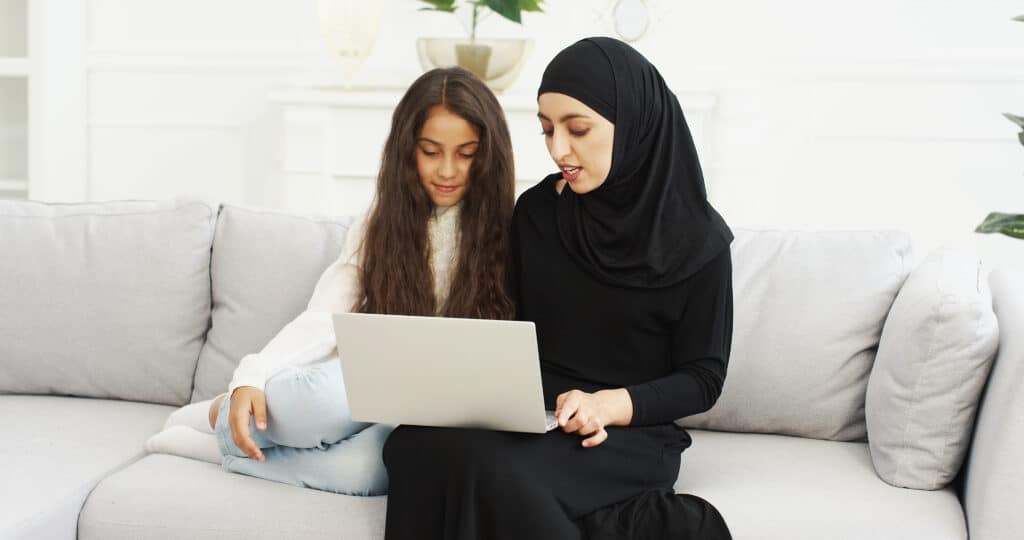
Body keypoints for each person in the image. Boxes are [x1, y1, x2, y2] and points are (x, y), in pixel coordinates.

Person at [381, 37, 735, 538]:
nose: (558, 149)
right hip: (534, 416)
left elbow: (703, 378)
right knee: (410, 445)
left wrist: (604, 405)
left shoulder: (700, 241)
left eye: (578, 129)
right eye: (548, 130)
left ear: (634, 124)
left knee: (499, 476)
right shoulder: (538, 213)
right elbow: (510, 324)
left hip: (626, 433)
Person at [149, 66, 517, 495]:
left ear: (489, 155)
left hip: (430, 411)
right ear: (407, 151)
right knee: (315, 404)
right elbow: (322, 318)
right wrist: (252, 375)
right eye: (431, 152)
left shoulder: (512, 232)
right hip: (361, 384)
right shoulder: (379, 226)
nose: (449, 170)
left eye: (467, 153)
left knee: (370, 473)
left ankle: (222, 446)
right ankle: (225, 411)